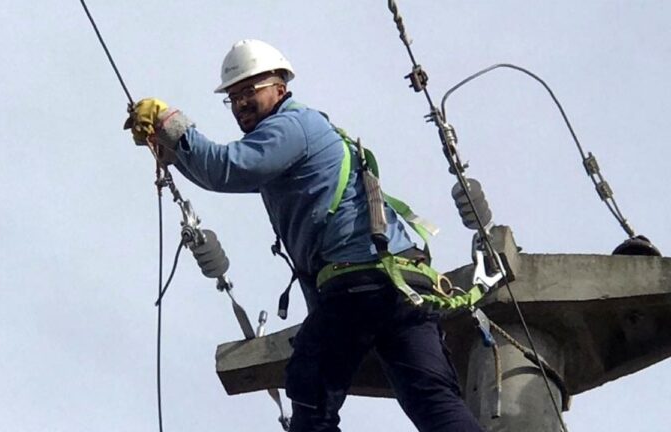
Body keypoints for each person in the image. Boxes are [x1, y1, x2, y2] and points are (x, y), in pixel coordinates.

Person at [126, 39, 484, 432]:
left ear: (280, 87)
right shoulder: (297, 134)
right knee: (431, 398)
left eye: (249, 91)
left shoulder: (291, 125)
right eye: (233, 97)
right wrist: (173, 150)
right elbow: (219, 173)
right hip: (400, 285)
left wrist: (169, 123)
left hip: (362, 279)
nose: (241, 103)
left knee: (310, 390)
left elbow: (227, 168)